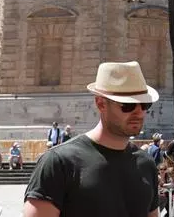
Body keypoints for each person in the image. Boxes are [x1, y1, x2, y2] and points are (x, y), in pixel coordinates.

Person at [23, 61, 161, 217]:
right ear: (100, 103)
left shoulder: (146, 164)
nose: (139, 113)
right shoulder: (59, 162)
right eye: (127, 105)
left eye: (144, 105)